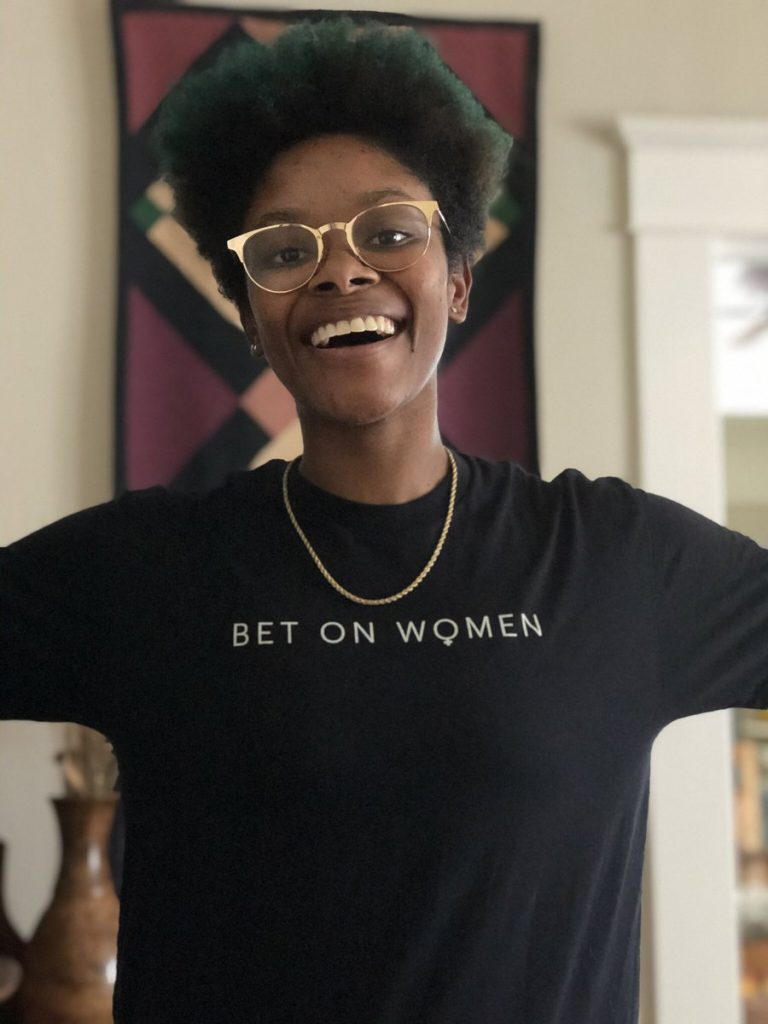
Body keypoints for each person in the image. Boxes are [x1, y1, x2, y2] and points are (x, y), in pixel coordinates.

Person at [1, 15, 767, 1024]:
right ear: (250, 314)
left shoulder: (619, 564)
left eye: (390, 230)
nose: (341, 268)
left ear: (456, 276)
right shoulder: (145, 571)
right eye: (285, 248)